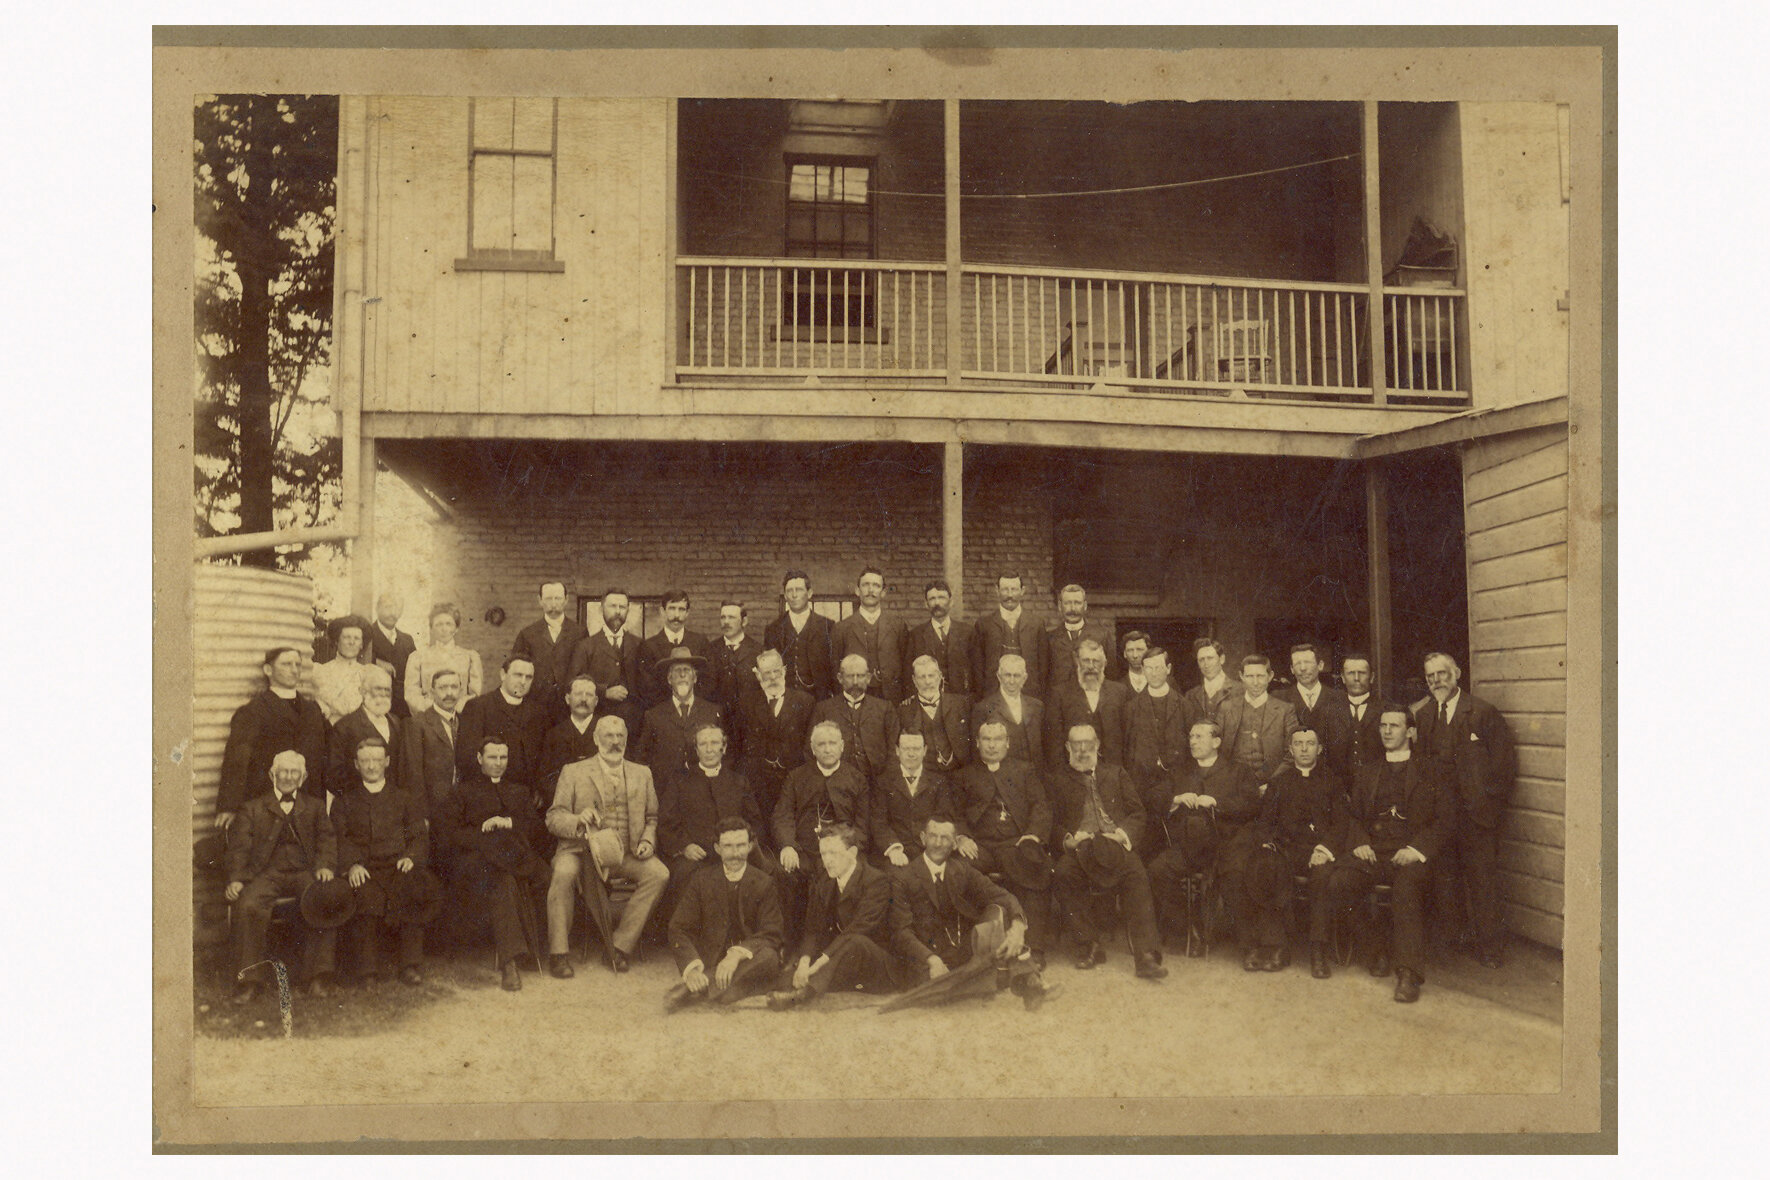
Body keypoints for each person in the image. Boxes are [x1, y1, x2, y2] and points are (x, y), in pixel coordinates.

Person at [1328, 706, 1454, 1003]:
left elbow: (1446, 820)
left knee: (1406, 889)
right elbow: (1353, 815)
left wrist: (1415, 850)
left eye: (1394, 726)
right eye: (1383, 725)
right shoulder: (1368, 771)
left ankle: (1408, 974)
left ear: (1411, 732)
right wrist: (1359, 841)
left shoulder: (1432, 771)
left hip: (1411, 854)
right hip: (1374, 852)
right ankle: (1375, 950)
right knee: (1338, 883)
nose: (1386, 731)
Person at [882, 816, 1052, 1011]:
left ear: (954, 843)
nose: (938, 843)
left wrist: (1018, 926)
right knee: (937, 985)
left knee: (996, 922)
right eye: (932, 836)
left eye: (945, 838)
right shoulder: (903, 878)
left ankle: (1025, 983)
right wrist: (932, 960)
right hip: (925, 956)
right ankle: (1003, 980)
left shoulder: (961, 869)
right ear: (922, 838)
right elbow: (901, 932)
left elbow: (1003, 896)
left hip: (959, 949)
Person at [1413, 651, 1517, 969]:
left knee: (1482, 882)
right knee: (1447, 880)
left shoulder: (1483, 713)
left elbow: (1504, 768)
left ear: (1457, 673)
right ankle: (1458, 940)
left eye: (1442, 674)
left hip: (1476, 816)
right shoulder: (1423, 714)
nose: (1436, 681)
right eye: (1430, 677)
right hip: (1443, 817)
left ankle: (1491, 948)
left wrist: (1489, 809)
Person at [544, 715, 669, 976]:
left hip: (626, 852)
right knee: (563, 873)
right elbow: (554, 817)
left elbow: (652, 818)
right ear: (596, 739)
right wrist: (578, 819)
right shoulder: (574, 771)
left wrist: (647, 840)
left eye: (619, 736)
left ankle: (619, 946)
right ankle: (559, 953)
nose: (615, 742)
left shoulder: (642, 772)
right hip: (579, 850)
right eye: (609, 736)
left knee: (659, 873)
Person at [1223, 728, 1345, 975]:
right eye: (1298, 744)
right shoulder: (1279, 783)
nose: (1303, 749)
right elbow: (1265, 822)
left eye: (1310, 744)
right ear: (1290, 750)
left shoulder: (1333, 781)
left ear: (1319, 749)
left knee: (1322, 878)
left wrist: (1324, 849)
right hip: (1287, 849)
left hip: (1318, 851)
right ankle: (1277, 946)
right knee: (1268, 869)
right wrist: (1267, 842)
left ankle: (1317, 951)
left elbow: (1342, 823)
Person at [1050, 724, 1166, 980]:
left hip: (1114, 844)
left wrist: (1122, 835)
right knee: (1063, 873)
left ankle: (1146, 956)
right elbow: (1051, 822)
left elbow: (1137, 813)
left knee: (1136, 874)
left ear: (1098, 745)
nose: (1082, 750)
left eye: (1088, 743)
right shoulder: (1058, 779)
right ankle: (1088, 944)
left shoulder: (1116, 773)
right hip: (1081, 847)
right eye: (1076, 744)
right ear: (1067, 747)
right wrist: (1067, 839)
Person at [223, 750, 339, 1003]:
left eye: (294, 772)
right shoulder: (252, 809)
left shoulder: (315, 807)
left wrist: (325, 866)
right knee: (249, 905)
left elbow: (327, 840)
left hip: (303, 872)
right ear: (272, 774)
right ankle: (250, 983)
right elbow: (239, 848)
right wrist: (236, 878)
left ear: (303, 777)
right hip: (266, 874)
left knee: (324, 900)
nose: (288, 777)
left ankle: (317, 977)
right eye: (283, 771)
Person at [438, 736, 552, 991]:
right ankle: (509, 963)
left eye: (503, 758)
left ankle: (539, 950)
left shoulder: (518, 791)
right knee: (503, 881)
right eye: (492, 757)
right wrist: (483, 831)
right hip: (476, 860)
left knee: (545, 875)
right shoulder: (462, 792)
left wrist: (509, 822)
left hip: (516, 856)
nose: (498, 763)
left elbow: (536, 829)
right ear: (479, 759)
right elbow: (448, 834)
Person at [1143, 720, 1260, 954]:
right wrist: (1176, 799)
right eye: (1191, 737)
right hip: (1188, 848)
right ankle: (1190, 928)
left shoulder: (1238, 771)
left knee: (1238, 875)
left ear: (1216, 741)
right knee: (1157, 870)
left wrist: (1217, 802)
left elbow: (1252, 805)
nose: (1193, 741)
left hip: (1227, 847)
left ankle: (1249, 946)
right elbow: (1152, 797)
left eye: (1199, 737)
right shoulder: (1181, 771)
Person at [955, 718, 1055, 966]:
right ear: (977, 744)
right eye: (986, 740)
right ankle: (979, 948)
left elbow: (1040, 806)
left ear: (1008, 743)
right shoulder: (964, 775)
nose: (991, 745)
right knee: (959, 870)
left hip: (1015, 842)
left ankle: (1034, 948)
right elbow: (953, 813)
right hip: (980, 845)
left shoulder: (1024, 770)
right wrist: (961, 837)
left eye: (997, 739)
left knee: (1034, 866)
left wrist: (1033, 834)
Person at [332, 736, 431, 988]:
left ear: (386, 762)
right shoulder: (345, 800)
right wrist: (352, 864)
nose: (372, 766)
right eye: (365, 761)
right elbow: (338, 838)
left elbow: (419, 835)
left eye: (377, 760)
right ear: (356, 764)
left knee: (413, 888)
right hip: (364, 868)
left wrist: (411, 857)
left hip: (397, 865)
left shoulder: (404, 797)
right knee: (365, 897)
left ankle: (410, 965)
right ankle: (368, 971)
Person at [766, 823, 899, 1009]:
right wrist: (805, 962)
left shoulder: (876, 880)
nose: (827, 860)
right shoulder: (825, 882)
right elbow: (813, 929)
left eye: (833, 853)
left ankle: (801, 996)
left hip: (877, 964)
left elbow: (858, 928)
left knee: (855, 942)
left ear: (852, 852)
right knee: (792, 974)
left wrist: (818, 963)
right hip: (841, 959)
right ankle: (793, 987)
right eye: (823, 854)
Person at [664, 817, 786, 1012]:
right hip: (712, 956)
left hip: (748, 958)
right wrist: (692, 969)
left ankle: (693, 990)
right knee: (747, 980)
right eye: (728, 846)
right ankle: (730, 990)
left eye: (740, 846)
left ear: (750, 846)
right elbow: (678, 928)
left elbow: (772, 932)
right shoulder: (701, 880)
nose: (735, 854)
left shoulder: (764, 882)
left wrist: (736, 955)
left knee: (769, 958)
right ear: (718, 848)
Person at [771, 720, 869, 943]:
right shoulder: (796, 777)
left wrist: (850, 851)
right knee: (784, 874)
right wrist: (788, 845)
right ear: (813, 749)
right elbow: (782, 814)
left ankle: (836, 942)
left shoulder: (856, 778)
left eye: (832, 743)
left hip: (842, 851)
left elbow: (863, 825)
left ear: (842, 746)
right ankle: (788, 942)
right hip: (804, 850)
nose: (827, 749)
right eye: (821, 744)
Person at [216, 646, 329, 826]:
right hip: (265, 802)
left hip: (307, 803)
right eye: (286, 664)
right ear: (268, 670)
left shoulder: (312, 710)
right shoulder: (252, 711)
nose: (294, 669)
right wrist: (229, 806)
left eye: (297, 665)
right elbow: (236, 760)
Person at [658, 724, 773, 899]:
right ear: (696, 750)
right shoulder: (680, 782)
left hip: (736, 852)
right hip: (697, 856)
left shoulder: (738, 782)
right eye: (703, 744)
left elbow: (755, 822)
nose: (709, 749)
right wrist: (685, 846)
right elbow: (667, 821)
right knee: (686, 877)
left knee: (768, 877)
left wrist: (741, 846)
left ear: (724, 748)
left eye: (714, 743)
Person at [732, 649, 815, 827]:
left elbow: (809, 745)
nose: (772, 677)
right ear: (758, 676)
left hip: (793, 778)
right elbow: (737, 743)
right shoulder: (746, 703)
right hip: (758, 781)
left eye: (776, 671)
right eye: (766, 673)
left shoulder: (805, 702)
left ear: (784, 671)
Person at [456, 654, 548, 802]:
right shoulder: (479, 706)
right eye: (518, 675)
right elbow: (466, 757)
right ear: (503, 674)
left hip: (527, 800)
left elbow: (543, 759)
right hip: (487, 797)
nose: (523, 682)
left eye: (528, 677)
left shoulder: (538, 713)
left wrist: (538, 789)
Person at [636, 646, 723, 789]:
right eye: (677, 671)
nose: (682, 675)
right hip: (665, 792)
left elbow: (724, 754)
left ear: (694, 678)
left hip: (703, 791)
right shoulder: (654, 715)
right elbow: (642, 758)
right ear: (669, 679)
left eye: (687, 670)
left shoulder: (712, 712)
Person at [870, 730, 957, 871]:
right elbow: (878, 822)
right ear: (897, 751)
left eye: (916, 749)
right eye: (906, 749)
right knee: (894, 877)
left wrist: (931, 848)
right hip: (897, 849)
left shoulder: (939, 781)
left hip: (929, 848)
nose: (911, 754)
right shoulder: (883, 782)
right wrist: (893, 849)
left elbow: (943, 817)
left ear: (925, 750)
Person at [566, 589, 645, 735]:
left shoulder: (639, 644)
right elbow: (574, 681)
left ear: (628, 610)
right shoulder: (586, 646)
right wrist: (604, 692)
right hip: (599, 718)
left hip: (633, 722)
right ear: (601, 609)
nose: (617, 611)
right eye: (612, 606)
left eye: (622, 607)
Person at [511, 581, 588, 729]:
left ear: (566, 600)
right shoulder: (527, 634)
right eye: (548, 598)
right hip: (536, 705)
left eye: (558, 598)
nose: (553, 603)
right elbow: (515, 669)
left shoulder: (579, 633)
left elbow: (585, 670)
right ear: (540, 601)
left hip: (568, 706)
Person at [1215, 654, 1301, 784]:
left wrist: (1273, 784)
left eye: (1260, 676)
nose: (1255, 682)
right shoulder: (1226, 708)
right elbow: (1216, 748)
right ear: (1241, 676)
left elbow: (1293, 753)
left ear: (1270, 676)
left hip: (1272, 784)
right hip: (1233, 784)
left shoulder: (1285, 710)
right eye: (1250, 676)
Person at [1045, 639, 1130, 767]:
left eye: (1096, 661)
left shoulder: (1119, 692)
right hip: (1074, 769)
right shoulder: (1060, 693)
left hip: (1112, 770)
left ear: (1104, 664)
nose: (1091, 666)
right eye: (1086, 660)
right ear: (1077, 662)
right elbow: (1054, 740)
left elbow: (1127, 736)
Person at [810, 654, 896, 783]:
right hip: (836, 783)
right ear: (840, 678)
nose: (855, 682)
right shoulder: (823, 709)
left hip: (877, 783)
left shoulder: (885, 709)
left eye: (860, 676)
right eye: (850, 676)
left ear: (868, 678)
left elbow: (894, 751)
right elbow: (811, 750)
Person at [1122, 646, 1194, 795]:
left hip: (1177, 781)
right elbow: (1127, 749)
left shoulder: (1184, 705)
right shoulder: (1131, 708)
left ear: (1168, 669)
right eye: (1148, 668)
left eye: (1158, 667)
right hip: (1144, 784)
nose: (1153, 673)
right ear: (1142, 669)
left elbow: (1190, 747)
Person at [401, 667, 465, 834]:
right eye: (443, 688)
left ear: (461, 690)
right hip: (433, 811)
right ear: (431, 692)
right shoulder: (418, 723)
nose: (449, 693)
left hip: (463, 810)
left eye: (454, 687)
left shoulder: (466, 722)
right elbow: (413, 774)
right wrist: (420, 816)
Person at [327, 664, 404, 801]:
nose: (383, 694)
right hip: (357, 807)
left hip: (392, 806)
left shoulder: (396, 722)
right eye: (377, 689)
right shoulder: (344, 727)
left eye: (387, 690)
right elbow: (334, 774)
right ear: (362, 691)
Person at [830, 566, 906, 704]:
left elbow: (905, 665)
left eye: (876, 586)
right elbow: (835, 670)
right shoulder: (841, 628)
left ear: (883, 592)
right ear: (857, 590)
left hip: (890, 697)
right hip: (855, 697)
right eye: (866, 585)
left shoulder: (898, 626)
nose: (870, 590)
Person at [1275, 643, 1352, 775]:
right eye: (1297, 664)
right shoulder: (1279, 698)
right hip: (1292, 779)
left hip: (1332, 778)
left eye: (1308, 662)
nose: (1303, 668)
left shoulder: (1341, 698)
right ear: (1292, 669)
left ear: (1320, 665)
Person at [763, 569, 836, 699]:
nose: (794, 595)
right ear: (785, 596)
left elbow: (834, 667)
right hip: (785, 700)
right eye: (789, 591)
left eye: (799, 590)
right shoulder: (773, 629)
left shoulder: (827, 626)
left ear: (809, 593)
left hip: (818, 698)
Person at [637, 590, 712, 712]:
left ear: (687, 613)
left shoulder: (700, 643)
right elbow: (647, 687)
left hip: (695, 712)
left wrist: (690, 705)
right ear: (662, 612)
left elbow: (709, 681)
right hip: (663, 713)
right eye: (672, 608)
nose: (676, 615)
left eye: (681, 609)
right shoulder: (649, 646)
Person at [402, 602, 483, 717]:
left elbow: (475, 694)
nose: (444, 629)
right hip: (428, 716)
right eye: (439, 624)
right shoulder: (418, 657)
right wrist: (434, 709)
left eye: (449, 624)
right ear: (431, 628)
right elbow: (411, 693)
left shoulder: (470, 657)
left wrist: (457, 708)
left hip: (460, 716)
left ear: (456, 628)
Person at [974, 571, 1045, 698]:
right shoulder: (984, 624)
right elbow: (978, 667)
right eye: (1005, 590)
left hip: (1029, 696)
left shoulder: (1036, 624)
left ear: (1022, 591)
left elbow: (1043, 666)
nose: (1010, 595)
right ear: (997, 590)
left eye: (1014, 589)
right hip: (994, 695)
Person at [893, 654, 971, 771]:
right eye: (922, 677)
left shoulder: (960, 704)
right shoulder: (904, 711)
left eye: (931, 676)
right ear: (914, 680)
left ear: (939, 677)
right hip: (926, 776)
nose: (927, 681)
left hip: (959, 772)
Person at [902, 579, 976, 701]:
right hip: (928, 700)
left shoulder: (967, 632)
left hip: (961, 700)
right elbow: (908, 674)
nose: (937, 603)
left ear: (951, 602)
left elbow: (976, 670)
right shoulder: (916, 635)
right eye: (932, 599)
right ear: (926, 604)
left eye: (941, 598)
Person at [970, 653, 1044, 770]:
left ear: (1024, 678)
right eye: (1007, 675)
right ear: (999, 677)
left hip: (1033, 775)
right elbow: (977, 752)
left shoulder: (1037, 706)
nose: (1012, 681)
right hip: (1003, 778)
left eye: (1017, 676)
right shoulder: (983, 708)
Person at [1043, 583, 1115, 698]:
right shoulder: (1049, 638)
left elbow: (1111, 674)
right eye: (1068, 603)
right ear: (1060, 606)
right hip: (1059, 703)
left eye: (1077, 603)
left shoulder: (1102, 636)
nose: (1072, 609)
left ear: (1085, 606)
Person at [537, 673, 601, 797]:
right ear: (567, 699)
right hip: (563, 802)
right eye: (578, 694)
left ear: (596, 701)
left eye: (589, 694)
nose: (583, 699)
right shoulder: (554, 734)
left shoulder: (607, 730)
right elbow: (545, 777)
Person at [313, 614, 373, 724]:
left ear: (361, 644)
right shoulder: (321, 671)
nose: (351, 642)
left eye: (356, 638)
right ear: (336, 641)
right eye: (346, 637)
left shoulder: (367, 674)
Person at [368, 592, 419, 719]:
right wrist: (374, 661)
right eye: (388, 607)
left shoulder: (407, 640)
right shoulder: (367, 634)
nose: (392, 613)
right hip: (375, 705)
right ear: (377, 608)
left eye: (397, 609)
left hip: (403, 708)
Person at [705, 601, 762, 710]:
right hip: (718, 719)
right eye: (723, 617)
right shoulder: (710, 650)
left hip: (748, 719)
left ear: (744, 621)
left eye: (731, 617)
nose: (726, 622)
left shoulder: (757, 650)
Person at [1338, 652, 1386, 771]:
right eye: (1351, 673)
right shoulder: (1328, 712)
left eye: (1362, 673)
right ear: (1343, 678)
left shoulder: (1385, 710)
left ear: (1372, 677)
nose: (1356, 678)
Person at [1185, 638, 1234, 720]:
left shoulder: (1240, 690)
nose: (1206, 664)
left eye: (1210, 658)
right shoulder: (1190, 696)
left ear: (1222, 659)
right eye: (1201, 660)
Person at [1118, 630, 1151, 696]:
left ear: (1148, 651)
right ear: (1125, 653)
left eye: (1139, 649)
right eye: (1130, 650)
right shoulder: (1118, 686)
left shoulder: (1161, 682)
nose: (1135, 655)